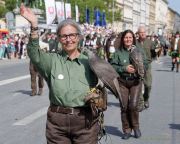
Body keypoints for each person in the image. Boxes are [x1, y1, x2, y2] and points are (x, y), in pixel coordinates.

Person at [20, 3, 102, 144]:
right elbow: (34, 54)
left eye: (72, 35)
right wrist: (34, 25)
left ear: (79, 37)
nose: (68, 39)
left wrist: (99, 95)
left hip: (85, 121)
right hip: (57, 123)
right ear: (58, 38)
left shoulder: (90, 61)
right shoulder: (52, 60)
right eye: (63, 36)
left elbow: (107, 81)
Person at [110, 29, 144, 139]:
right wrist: (124, 68)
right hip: (122, 82)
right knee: (124, 106)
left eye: (130, 37)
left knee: (133, 106)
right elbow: (112, 66)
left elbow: (147, 63)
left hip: (135, 82)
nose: (128, 39)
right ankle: (127, 130)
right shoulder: (118, 52)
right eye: (126, 37)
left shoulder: (139, 50)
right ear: (122, 39)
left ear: (133, 39)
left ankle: (136, 127)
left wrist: (140, 69)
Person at [136, 26, 155, 110]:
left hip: (147, 65)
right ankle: (141, 102)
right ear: (138, 34)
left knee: (148, 85)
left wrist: (151, 60)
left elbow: (154, 53)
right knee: (138, 85)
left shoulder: (150, 42)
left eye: (144, 32)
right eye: (141, 32)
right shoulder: (135, 43)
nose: (143, 34)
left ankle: (146, 98)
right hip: (137, 66)